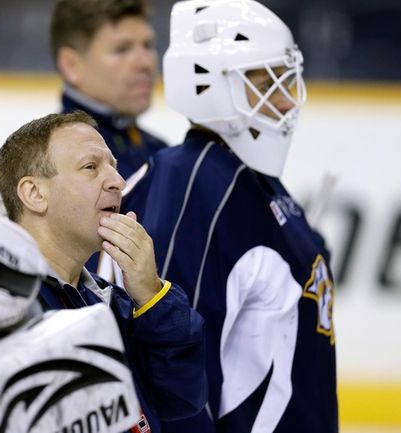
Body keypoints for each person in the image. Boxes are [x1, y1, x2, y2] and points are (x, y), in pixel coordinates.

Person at [109, 0, 339, 431]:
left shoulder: (253, 179)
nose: (288, 99)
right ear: (209, 85)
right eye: (269, 82)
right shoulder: (190, 185)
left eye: (289, 80)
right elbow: (172, 369)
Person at [0, 110, 207, 433]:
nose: (118, 182)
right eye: (91, 167)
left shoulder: (111, 304)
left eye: (114, 167)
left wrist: (152, 296)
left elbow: (181, 397)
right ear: (35, 194)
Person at [50, 0, 167, 180]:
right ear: (71, 65)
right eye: (122, 49)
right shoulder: (55, 165)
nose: (145, 63)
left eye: (147, 46)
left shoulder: (159, 150)